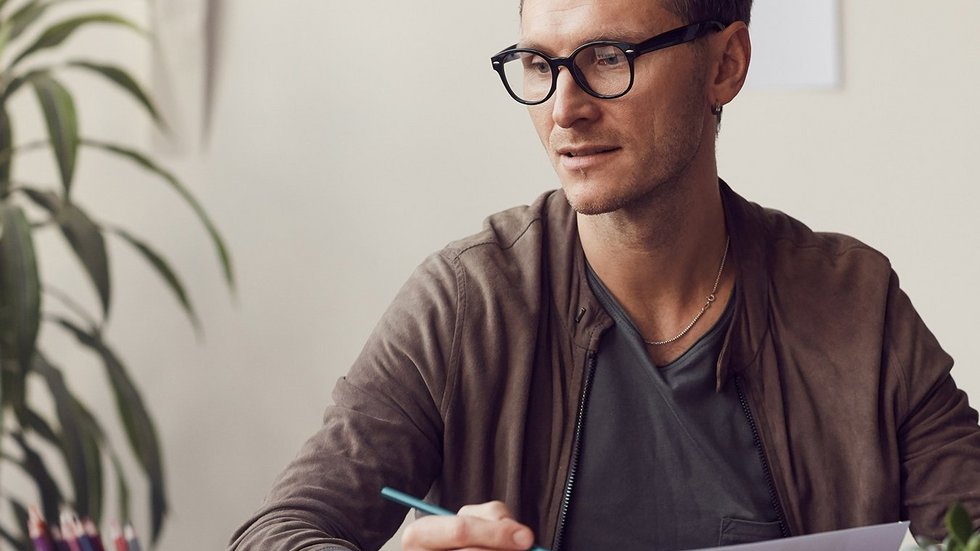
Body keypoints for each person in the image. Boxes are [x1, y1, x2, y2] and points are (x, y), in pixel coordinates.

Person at [229, 0, 980, 549]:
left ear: (726, 64)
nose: (564, 108)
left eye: (608, 57)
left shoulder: (854, 303)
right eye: (537, 63)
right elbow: (280, 530)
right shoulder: (468, 303)